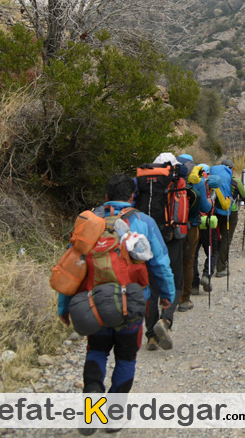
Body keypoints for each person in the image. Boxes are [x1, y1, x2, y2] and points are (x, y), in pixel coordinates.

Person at [57, 174, 175, 419]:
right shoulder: (144, 222)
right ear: (132, 196)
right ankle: (115, 414)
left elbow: (71, 268)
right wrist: (167, 294)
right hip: (131, 304)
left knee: (97, 351)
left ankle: (92, 400)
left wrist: (64, 307)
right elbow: (161, 264)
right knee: (126, 356)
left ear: (106, 197)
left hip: (93, 303)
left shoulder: (88, 223)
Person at [140, 152, 186, 351]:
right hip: (171, 238)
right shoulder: (176, 181)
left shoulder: (143, 182)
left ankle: (150, 336)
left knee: (151, 288)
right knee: (175, 282)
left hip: (148, 239)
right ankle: (165, 320)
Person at [177, 155, 212, 311]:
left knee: (173, 261)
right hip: (191, 226)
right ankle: (185, 300)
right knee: (189, 262)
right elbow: (205, 208)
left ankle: (170, 298)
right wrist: (211, 200)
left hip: (172, 226)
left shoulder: (172, 180)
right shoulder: (197, 182)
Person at [207, 158, 245, 283]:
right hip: (231, 212)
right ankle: (221, 267)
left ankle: (212, 264)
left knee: (216, 238)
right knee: (226, 238)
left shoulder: (214, 179)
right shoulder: (235, 182)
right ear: (231, 169)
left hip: (214, 211)